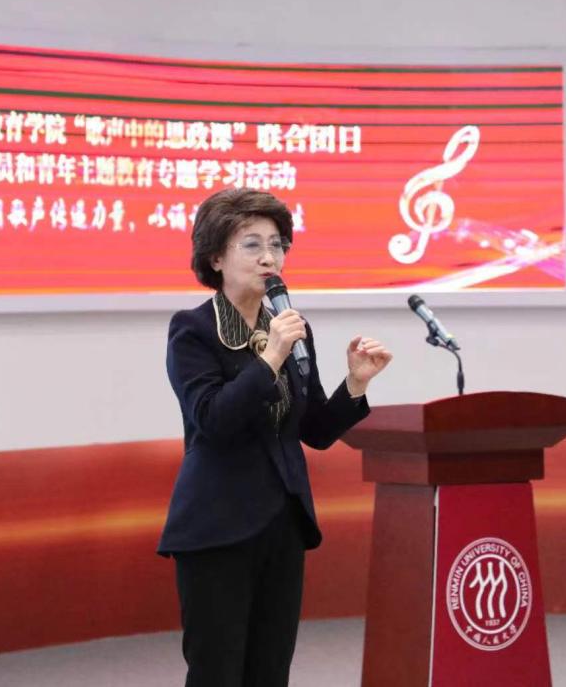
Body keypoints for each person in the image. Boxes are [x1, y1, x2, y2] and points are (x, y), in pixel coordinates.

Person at [158, 188, 393, 687]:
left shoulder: (289, 328)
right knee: (218, 672)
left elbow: (315, 431)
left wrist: (355, 383)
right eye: (252, 245)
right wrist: (270, 358)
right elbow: (213, 420)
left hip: (282, 524)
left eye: (277, 245)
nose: (270, 258)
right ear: (216, 257)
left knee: (270, 672)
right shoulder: (193, 331)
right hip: (216, 527)